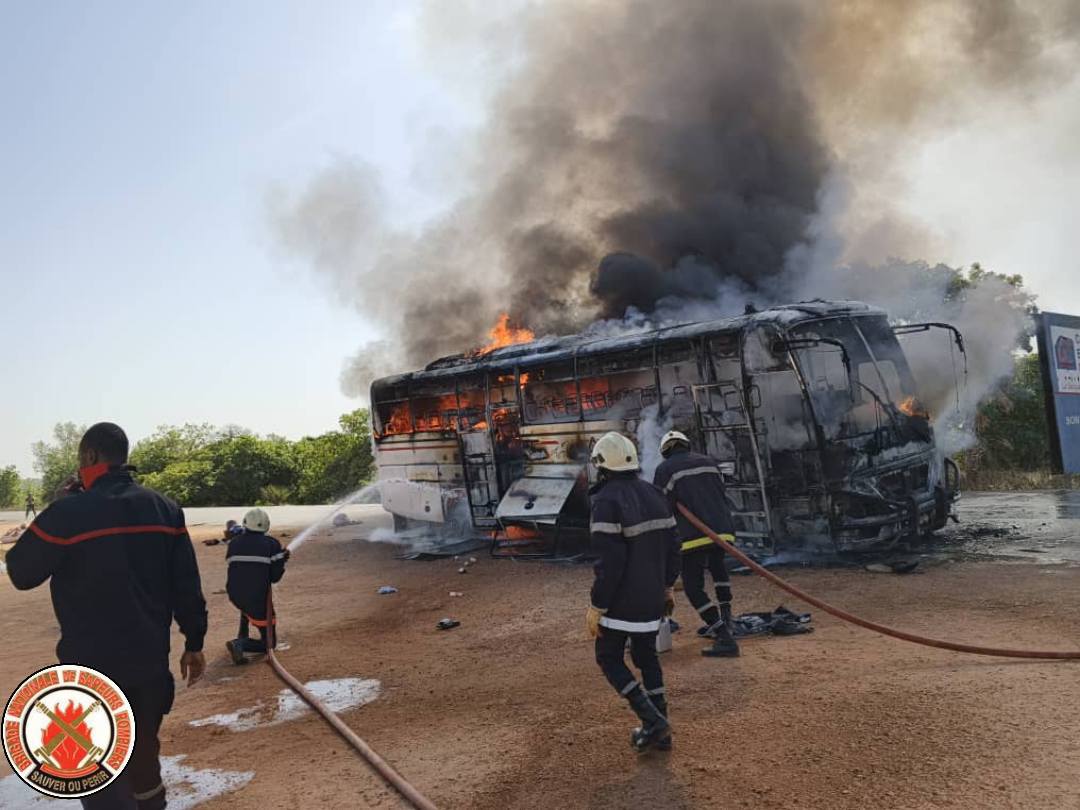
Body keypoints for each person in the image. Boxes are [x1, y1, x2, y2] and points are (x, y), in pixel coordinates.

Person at [5, 422, 208, 810]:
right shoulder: (164, 509)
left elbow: (21, 572)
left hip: (92, 671)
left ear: (91, 458)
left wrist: (57, 506)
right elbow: (187, 586)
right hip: (149, 666)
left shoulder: (68, 513)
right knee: (144, 760)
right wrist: (194, 643)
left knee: (100, 776)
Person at [586, 431, 681, 753]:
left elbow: (609, 563)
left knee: (608, 657)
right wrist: (667, 586)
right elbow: (674, 547)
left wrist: (598, 605)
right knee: (646, 656)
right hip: (653, 598)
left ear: (601, 466)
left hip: (621, 604)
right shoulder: (654, 494)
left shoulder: (605, 502)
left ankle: (651, 721)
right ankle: (662, 729)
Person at [653, 430, 740, 658]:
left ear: (665, 451)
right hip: (722, 531)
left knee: (693, 588)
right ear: (686, 445)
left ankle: (724, 636)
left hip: (692, 536)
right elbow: (720, 492)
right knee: (719, 569)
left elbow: (660, 506)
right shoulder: (709, 462)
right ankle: (727, 618)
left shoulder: (664, 469)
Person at [225, 507, 289, 664]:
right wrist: (281, 560)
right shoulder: (272, 544)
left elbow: (242, 569)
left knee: (246, 605)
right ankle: (240, 644)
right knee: (269, 643)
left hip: (235, 594)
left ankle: (242, 635)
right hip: (257, 599)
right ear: (266, 525)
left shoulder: (234, 543)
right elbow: (274, 578)